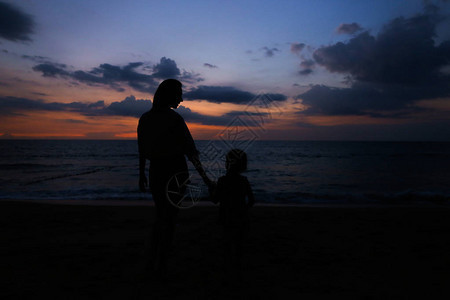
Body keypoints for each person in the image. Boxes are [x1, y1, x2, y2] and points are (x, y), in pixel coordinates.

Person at [137, 79, 213, 278]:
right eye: (178, 94)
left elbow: (142, 150)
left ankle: (153, 260)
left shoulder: (145, 119)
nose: (181, 98)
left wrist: (141, 174)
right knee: (169, 219)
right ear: (169, 95)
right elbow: (191, 152)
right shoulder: (174, 119)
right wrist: (206, 180)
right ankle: (160, 262)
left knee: (161, 216)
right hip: (175, 173)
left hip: (155, 172)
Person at [214, 149, 255, 282]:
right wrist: (244, 210)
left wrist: (212, 190)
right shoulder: (244, 181)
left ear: (227, 164)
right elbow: (252, 200)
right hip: (241, 218)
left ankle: (227, 270)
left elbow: (215, 199)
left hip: (225, 217)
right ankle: (237, 271)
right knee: (239, 245)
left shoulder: (222, 181)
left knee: (226, 244)